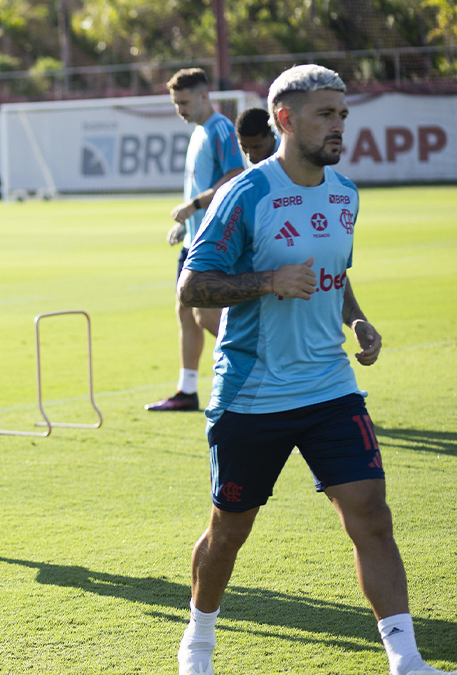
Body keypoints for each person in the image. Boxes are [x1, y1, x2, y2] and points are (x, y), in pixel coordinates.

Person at [175, 65, 454, 675]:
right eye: (326, 114)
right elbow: (194, 286)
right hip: (253, 395)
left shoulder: (345, 194)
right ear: (284, 118)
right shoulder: (246, 194)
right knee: (229, 532)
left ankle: (405, 660)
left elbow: (336, 270)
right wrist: (267, 281)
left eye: (343, 114)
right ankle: (197, 643)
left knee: (373, 517)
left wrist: (355, 319)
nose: (339, 126)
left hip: (330, 388)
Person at [147, 68, 245, 412]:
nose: (180, 110)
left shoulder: (220, 129)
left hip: (213, 241)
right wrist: (185, 225)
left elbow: (235, 175)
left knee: (205, 316)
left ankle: (262, 371)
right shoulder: (199, 131)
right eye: (176, 104)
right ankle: (187, 391)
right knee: (185, 311)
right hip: (195, 237)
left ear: (204, 96)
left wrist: (193, 207)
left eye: (184, 102)